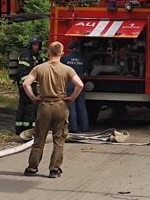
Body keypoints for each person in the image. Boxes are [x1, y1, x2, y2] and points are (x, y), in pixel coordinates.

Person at [22, 41, 84, 178]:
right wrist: (72, 98)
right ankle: (54, 169)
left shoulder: (39, 68)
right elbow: (79, 85)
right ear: (62, 53)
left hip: (44, 106)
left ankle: (32, 168)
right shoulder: (67, 69)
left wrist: (33, 97)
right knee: (59, 140)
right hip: (60, 105)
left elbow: (26, 84)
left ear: (48, 52)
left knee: (39, 138)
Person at [10, 35, 45, 131]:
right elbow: (23, 71)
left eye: (38, 45)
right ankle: (28, 128)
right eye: (34, 45)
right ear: (31, 45)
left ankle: (20, 128)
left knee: (23, 105)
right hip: (26, 84)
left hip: (28, 83)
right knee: (31, 105)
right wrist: (27, 82)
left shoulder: (34, 55)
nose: (36, 47)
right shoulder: (26, 54)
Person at [62, 41, 90, 133]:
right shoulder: (83, 58)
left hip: (69, 84)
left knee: (71, 106)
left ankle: (74, 128)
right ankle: (85, 127)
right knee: (82, 106)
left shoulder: (65, 58)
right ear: (77, 48)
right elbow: (87, 71)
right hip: (80, 84)